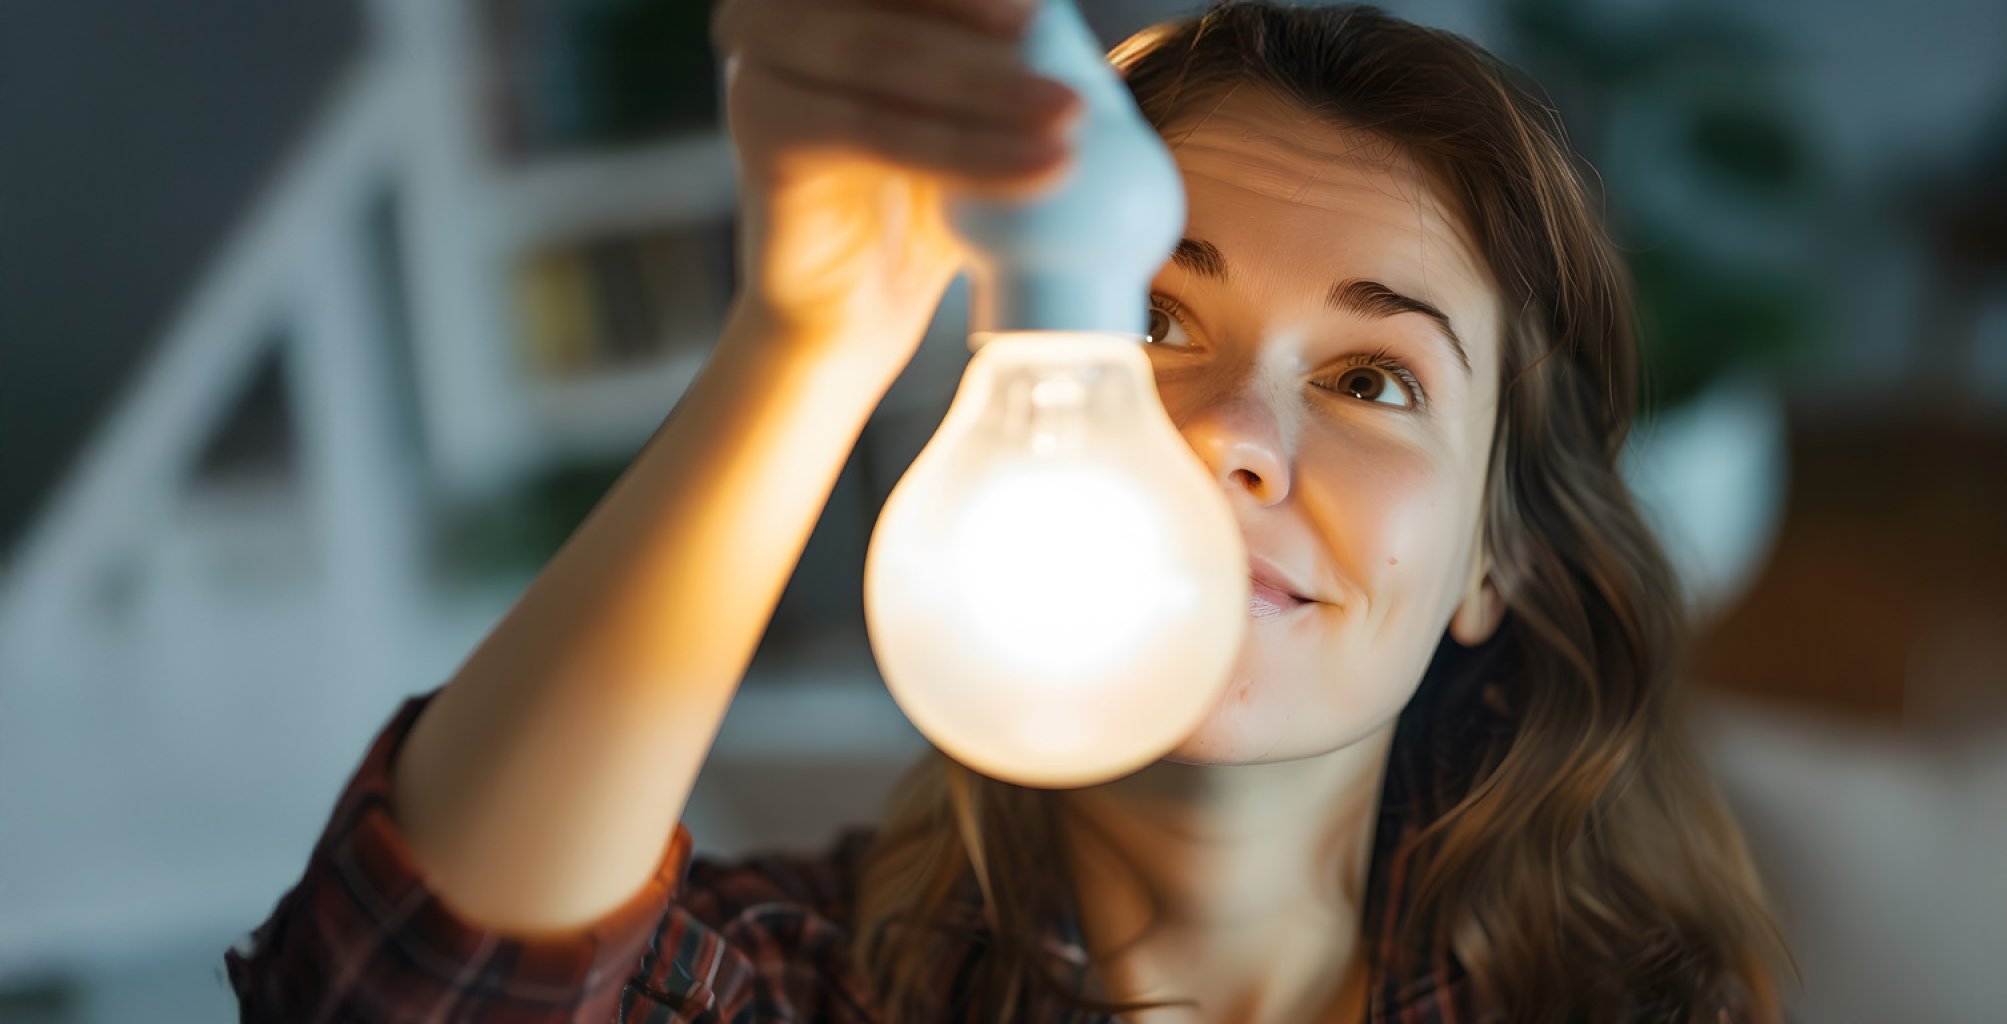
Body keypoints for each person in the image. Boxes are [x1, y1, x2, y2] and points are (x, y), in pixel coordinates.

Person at [226, 1, 1785, 1020]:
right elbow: (387, 996)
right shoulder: (794, 987)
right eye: (1156, 322)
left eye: (1376, 381)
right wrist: (806, 338)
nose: (1235, 434)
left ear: (1490, 561)